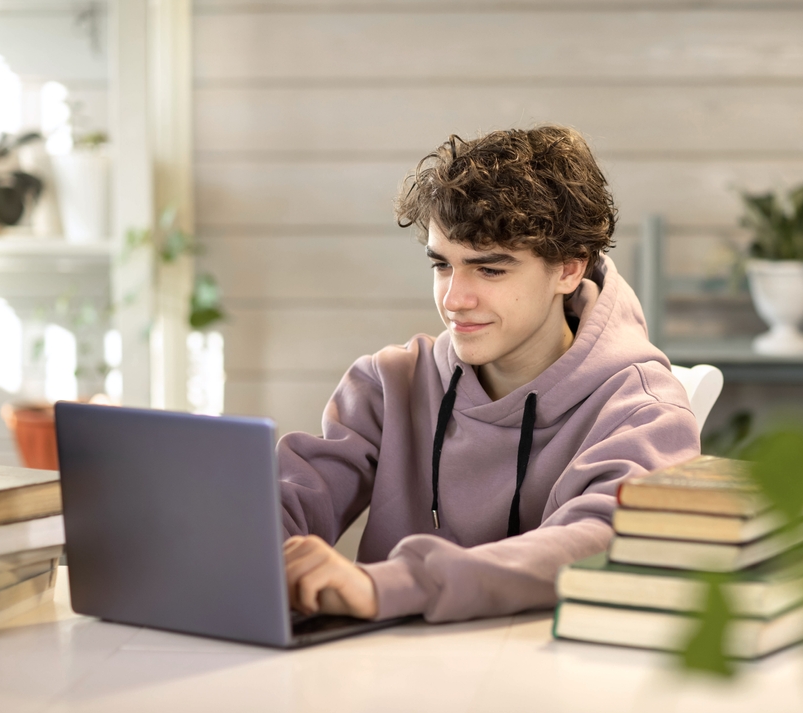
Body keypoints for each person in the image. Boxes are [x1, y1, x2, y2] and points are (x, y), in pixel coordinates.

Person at [279, 126, 700, 623]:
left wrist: (395, 583)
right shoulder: (389, 384)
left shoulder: (645, 410)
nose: (454, 299)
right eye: (442, 266)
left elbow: (601, 539)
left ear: (568, 269)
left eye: (490, 270)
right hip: (384, 680)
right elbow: (284, 503)